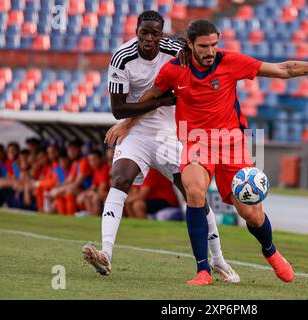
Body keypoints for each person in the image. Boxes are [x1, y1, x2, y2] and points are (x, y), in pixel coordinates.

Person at [106, 19, 308, 286]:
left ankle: (270, 251)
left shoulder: (231, 62)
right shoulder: (173, 70)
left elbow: (284, 69)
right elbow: (150, 97)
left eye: (214, 44)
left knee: (251, 214)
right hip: (196, 142)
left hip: (231, 143)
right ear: (190, 45)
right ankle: (203, 269)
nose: (210, 51)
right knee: (193, 190)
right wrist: (126, 123)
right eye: (204, 46)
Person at [82, 11, 240, 283]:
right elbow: (119, 109)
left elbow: (197, 67)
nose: (149, 39)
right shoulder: (121, 58)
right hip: (137, 132)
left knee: (194, 193)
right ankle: (105, 253)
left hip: (171, 132)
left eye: (155, 33)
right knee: (120, 178)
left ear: (162, 33)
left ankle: (218, 260)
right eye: (144, 32)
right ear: (136, 31)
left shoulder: (176, 51)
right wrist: (160, 102)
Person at [76, 149, 110, 216]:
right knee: (86, 197)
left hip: (109, 194)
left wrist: (91, 193)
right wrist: (85, 193)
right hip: (102, 193)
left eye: (94, 159)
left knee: (95, 197)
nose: (93, 162)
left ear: (101, 159)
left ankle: (96, 218)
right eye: (90, 160)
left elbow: (103, 187)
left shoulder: (105, 167)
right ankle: (91, 218)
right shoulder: (96, 170)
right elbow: (93, 186)